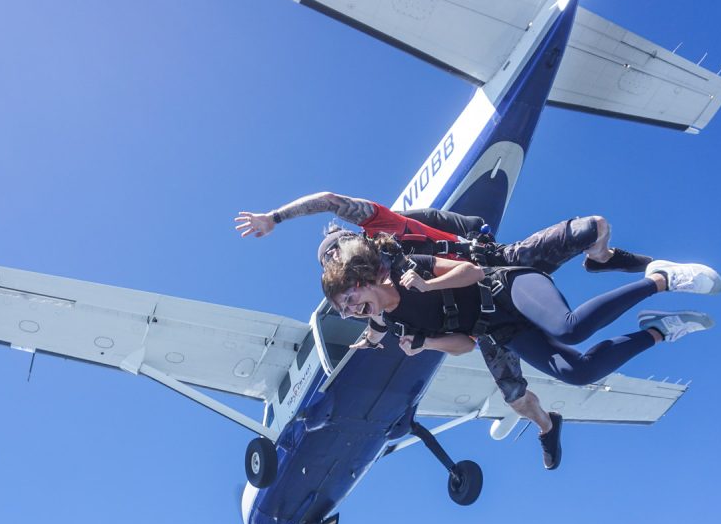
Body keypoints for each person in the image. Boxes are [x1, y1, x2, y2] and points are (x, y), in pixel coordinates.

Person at [236, 192, 657, 469]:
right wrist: (383, 339)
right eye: (329, 265)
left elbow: (342, 202)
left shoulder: (382, 230)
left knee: (592, 229)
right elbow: (389, 327)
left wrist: (274, 217)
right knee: (517, 396)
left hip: (491, 266)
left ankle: (604, 259)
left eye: (336, 254)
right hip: (482, 319)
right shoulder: (377, 303)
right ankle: (548, 425)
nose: (336, 262)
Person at [319, 234, 721, 465]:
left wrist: (429, 285)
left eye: (349, 300)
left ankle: (662, 278)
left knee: (571, 327)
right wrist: (425, 343)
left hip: (506, 287)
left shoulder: (411, 268)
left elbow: (472, 272)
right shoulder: (395, 324)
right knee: (577, 372)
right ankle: (658, 330)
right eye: (344, 312)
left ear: (360, 280)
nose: (352, 311)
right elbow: (463, 344)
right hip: (498, 326)